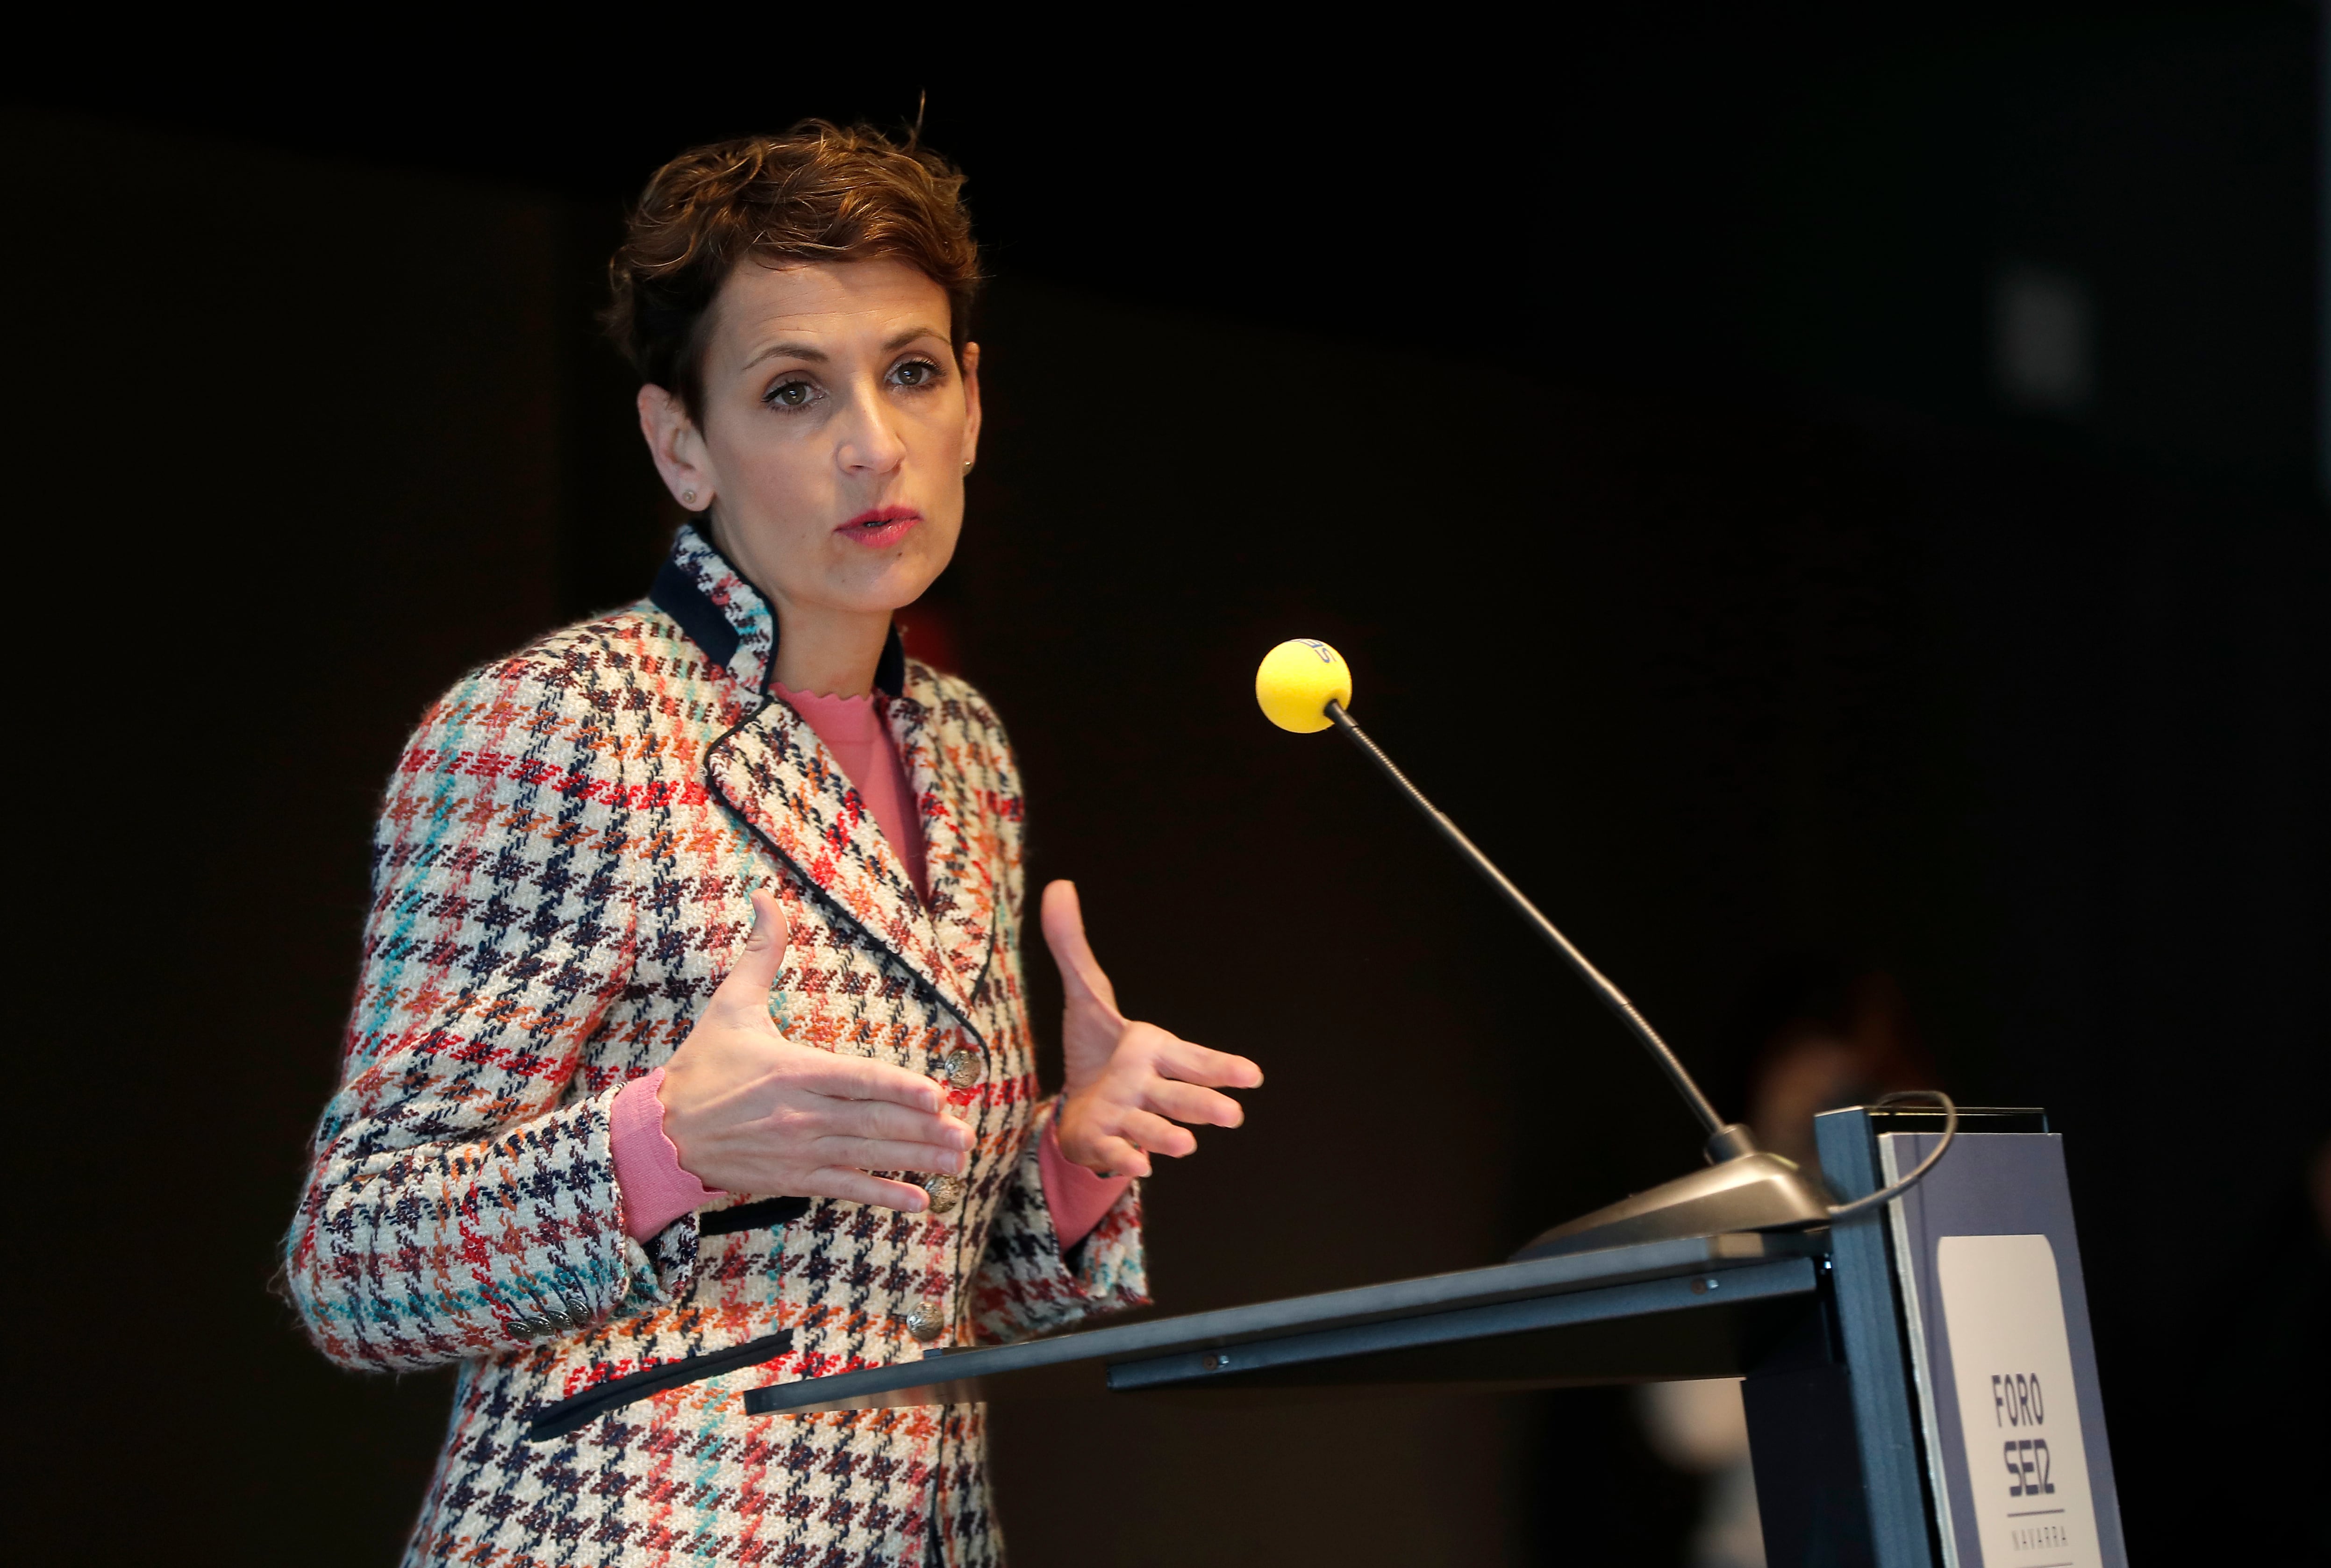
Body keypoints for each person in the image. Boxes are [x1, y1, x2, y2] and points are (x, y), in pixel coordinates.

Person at [282, 121, 1263, 1568]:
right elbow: (352, 1264)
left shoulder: (961, 747)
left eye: (911, 372)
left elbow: (896, 1287)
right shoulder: (559, 723)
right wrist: (661, 1144)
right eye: (793, 391)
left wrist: (1065, 1158)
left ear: (974, 403)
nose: (873, 440)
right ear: (682, 443)